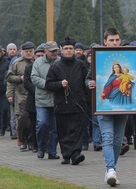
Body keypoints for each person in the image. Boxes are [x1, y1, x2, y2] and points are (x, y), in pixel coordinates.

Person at [86, 27, 136, 186]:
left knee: (118, 141)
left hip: (123, 106)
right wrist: (90, 83)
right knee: (108, 138)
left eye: (117, 40)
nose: (114, 42)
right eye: (111, 40)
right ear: (105, 42)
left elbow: (135, 78)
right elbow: (89, 79)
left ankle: (110, 170)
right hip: (104, 106)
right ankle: (110, 168)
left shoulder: (129, 57)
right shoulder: (98, 58)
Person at [46, 37, 88, 165]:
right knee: (64, 131)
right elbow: (48, 85)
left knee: (77, 130)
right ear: (61, 50)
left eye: (71, 49)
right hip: (62, 104)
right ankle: (66, 154)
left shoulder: (81, 65)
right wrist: (59, 84)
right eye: (66, 49)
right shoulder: (55, 67)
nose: (69, 51)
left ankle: (76, 154)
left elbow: (86, 82)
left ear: (74, 50)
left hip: (78, 104)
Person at [31, 41, 60, 160]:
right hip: (42, 99)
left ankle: (52, 151)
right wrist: (48, 84)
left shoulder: (60, 62)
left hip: (57, 99)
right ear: (46, 51)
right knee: (42, 124)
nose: (54, 53)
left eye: (56, 50)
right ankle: (41, 147)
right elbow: (34, 77)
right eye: (52, 51)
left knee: (55, 127)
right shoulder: (38, 63)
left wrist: (57, 85)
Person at [6, 41, 35, 151]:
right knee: (22, 119)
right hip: (21, 95)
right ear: (22, 52)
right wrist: (20, 78)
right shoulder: (17, 63)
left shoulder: (37, 62)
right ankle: (23, 141)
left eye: (30, 51)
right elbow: (9, 78)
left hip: (34, 95)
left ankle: (32, 141)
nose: (28, 53)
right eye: (26, 51)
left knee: (33, 119)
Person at [23, 45, 45, 153]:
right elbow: (26, 83)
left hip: (46, 99)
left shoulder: (48, 66)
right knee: (33, 124)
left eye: (42, 55)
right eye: (38, 55)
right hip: (33, 99)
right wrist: (37, 91)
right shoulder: (29, 68)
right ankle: (33, 143)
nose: (40, 57)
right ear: (34, 56)